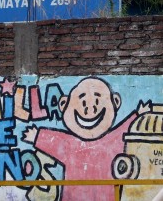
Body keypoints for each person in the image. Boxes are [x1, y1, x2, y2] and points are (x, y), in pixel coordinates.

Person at [22, 77, 150, 201]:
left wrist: (137, 114)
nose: (90, 109)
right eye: (81, 99)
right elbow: (56, 140)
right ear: (63, 104)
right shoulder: (71, 144)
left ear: (115, 102)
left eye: (98, 99)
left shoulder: (110, 140)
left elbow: (123, 129)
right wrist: (36, 136)